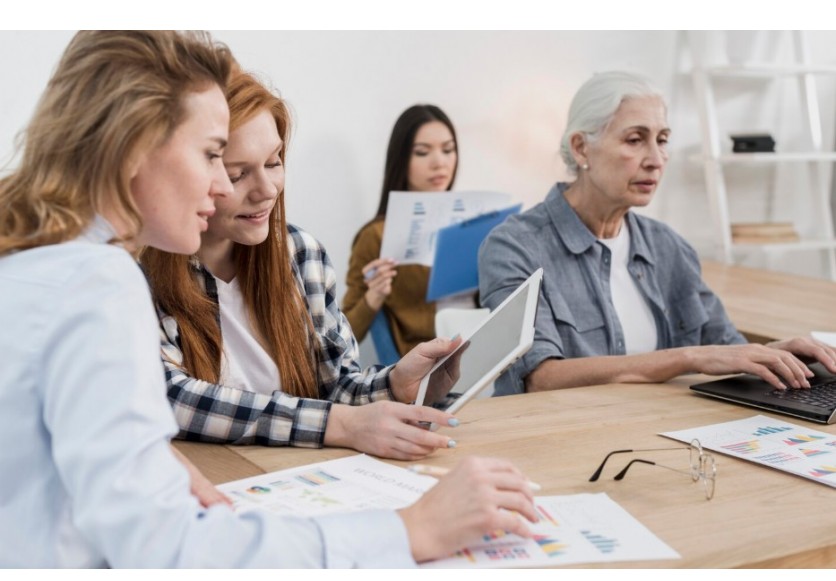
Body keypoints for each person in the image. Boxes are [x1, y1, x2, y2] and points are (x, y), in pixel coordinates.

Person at [0, 30, 537, 568]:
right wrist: (408, 530)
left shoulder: (36, 263)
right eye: (217, 158)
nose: (220, 185)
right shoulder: (103, 279)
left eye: (270, 162)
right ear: (134, 147)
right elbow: (168, 549)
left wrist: (150, 461)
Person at [141, 72, 463, 461]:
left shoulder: (301, 254)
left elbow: (336, 386)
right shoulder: (139, 271)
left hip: (297, 480)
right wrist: (339, 425)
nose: (267, 190)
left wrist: (395, 384)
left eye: (275, 162)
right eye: (238, 173)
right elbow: (171, 397)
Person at [479, 71, 836, 396]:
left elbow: (724, 347)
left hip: (662, 436)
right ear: (581, 147)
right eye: (635, 140)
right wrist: (688, 358)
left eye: (662, 140)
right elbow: (540, 378)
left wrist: (774, 354)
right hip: (558, 442)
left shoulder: (668, 246)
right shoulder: (514, 246)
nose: (656, 159)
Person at [343, 104, 459, 357]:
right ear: (401, 159)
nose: (439, 162)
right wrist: (374, 296)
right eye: (422, 152)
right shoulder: (376, 236)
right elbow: (345, 332)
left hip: (480, 351)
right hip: (427, 366)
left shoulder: (473, 221)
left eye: (448, 150)